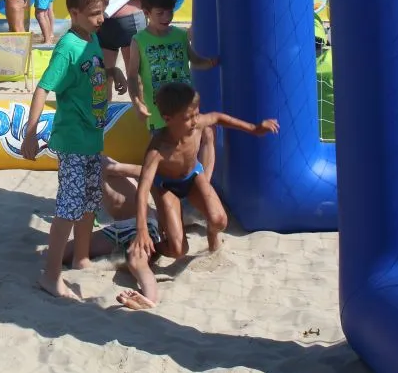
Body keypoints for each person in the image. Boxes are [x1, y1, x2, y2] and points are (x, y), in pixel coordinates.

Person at [117, 83, 279, 310]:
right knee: (178, 250)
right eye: (188, 117)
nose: (195, 121)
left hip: (193, 177)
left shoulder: (197, 123)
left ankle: (212, 238)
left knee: (219, 220)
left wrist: (254, 128)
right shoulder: (158, 148)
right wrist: (142, 228)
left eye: (196, 114)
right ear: (167, 118)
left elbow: (218, 117)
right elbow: (143, 188)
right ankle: (154, 248)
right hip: (167, 187)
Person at [21, 0, 128, 299]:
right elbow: (43, 89)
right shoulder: (67, 47)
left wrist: (114, 72)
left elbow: (94, 70)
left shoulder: (91, 37)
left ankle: (81, 257)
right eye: (95, 13)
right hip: (73, 141)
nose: (102, 18)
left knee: (89, 202)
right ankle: (51, 275)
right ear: (75, 13)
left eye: (103, 11)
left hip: (92, 137)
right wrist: (30, 132)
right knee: (68, 207)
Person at [128, 0, 218, 133]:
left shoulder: (180, 35)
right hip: (159, 115)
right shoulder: (139, 41)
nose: (167, 17)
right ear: (146, 12)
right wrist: (137, 103)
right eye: (160, 13)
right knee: (163, 147)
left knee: (204, 135)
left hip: (186, 109)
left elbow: (194, 60)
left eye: (170, 12)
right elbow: (132, 76)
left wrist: (211, 62)